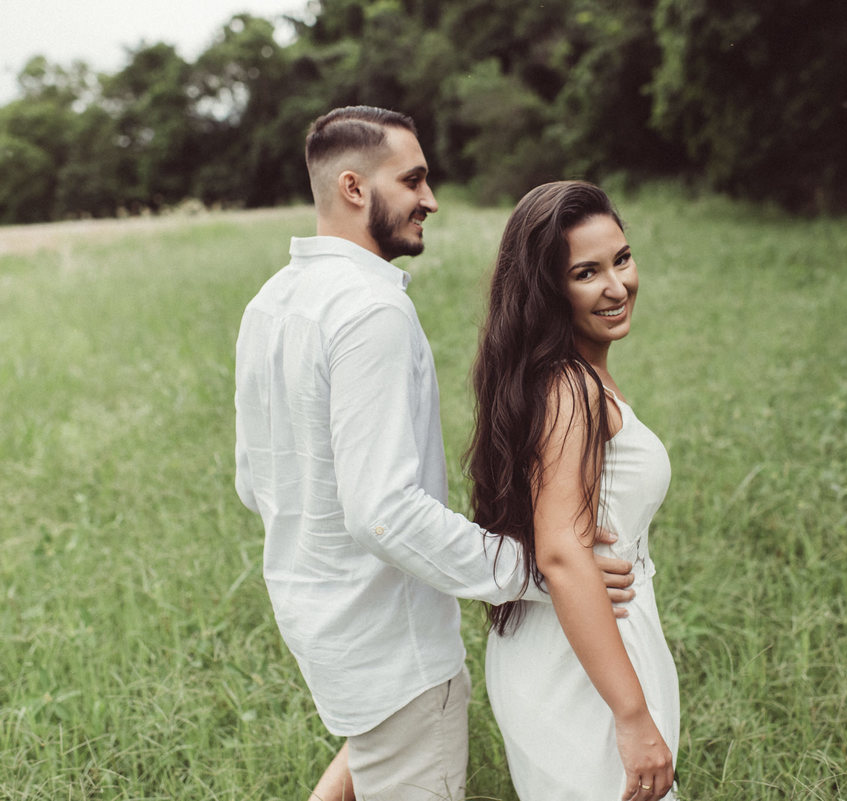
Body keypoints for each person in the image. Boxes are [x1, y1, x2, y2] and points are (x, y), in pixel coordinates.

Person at [234, 108, 635, 801]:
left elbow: (254, 480)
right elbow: (383, 511)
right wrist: (531, 569)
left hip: (320, 624)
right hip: (396, 645)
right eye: (413, 179)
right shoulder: (371, 312)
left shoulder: (273, 301)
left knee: (371, 754)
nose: (431, 198)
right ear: (355, 188)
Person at [466, 181, 680, 800]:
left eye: (622, 259)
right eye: (587, 273)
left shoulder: (570, 379)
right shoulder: (571, 389)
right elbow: (562, 555)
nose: (617, 287)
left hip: (587, 643)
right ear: (549, 291)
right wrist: (633, 717)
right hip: (579, 664)